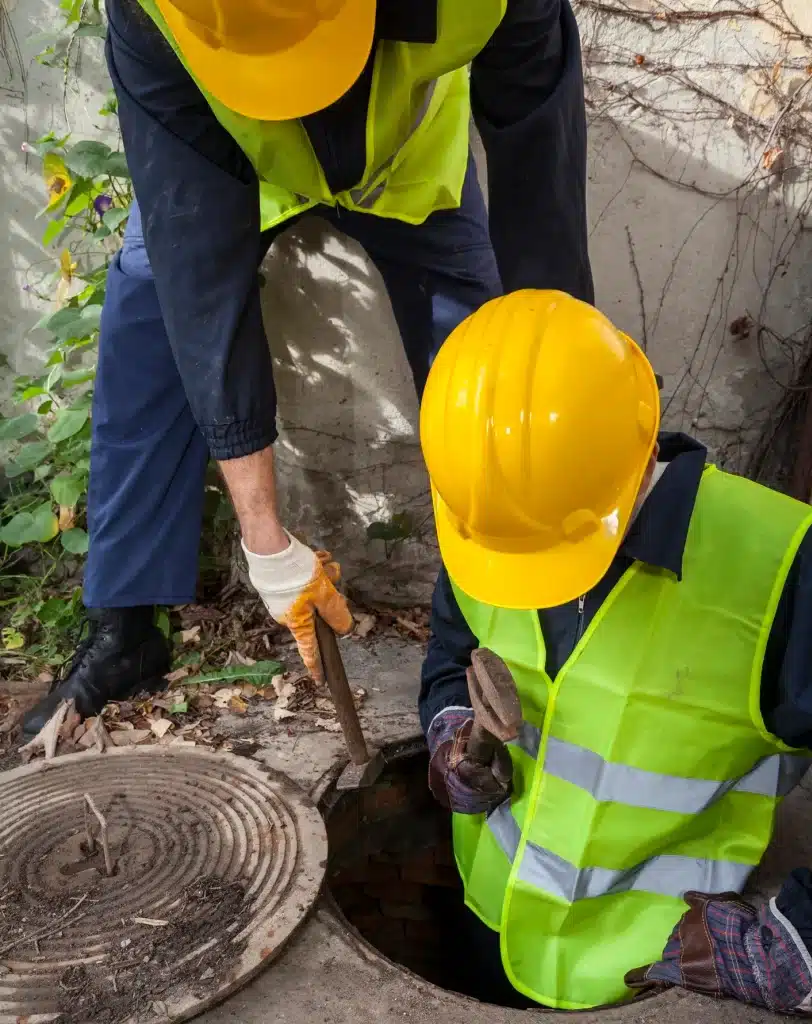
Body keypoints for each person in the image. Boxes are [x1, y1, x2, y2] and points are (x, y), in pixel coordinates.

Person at [23, 0, 594, 736]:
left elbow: (540, 194)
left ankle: (477, 640)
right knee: (148, 316)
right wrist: (265, 540)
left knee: (486, 365)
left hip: (402, 165)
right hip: (235, 165)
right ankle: (124, 629)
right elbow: (197, 277)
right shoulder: (152, 11)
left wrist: (562, 388)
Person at [418, 289, 812, 1012]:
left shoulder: (783, 568)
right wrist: (447, 729)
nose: (531, 570)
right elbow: (454, 646)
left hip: (645, 968)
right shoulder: (496, 519)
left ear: (641, 443)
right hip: (490, 917)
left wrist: (802, 943)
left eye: (558, 543)